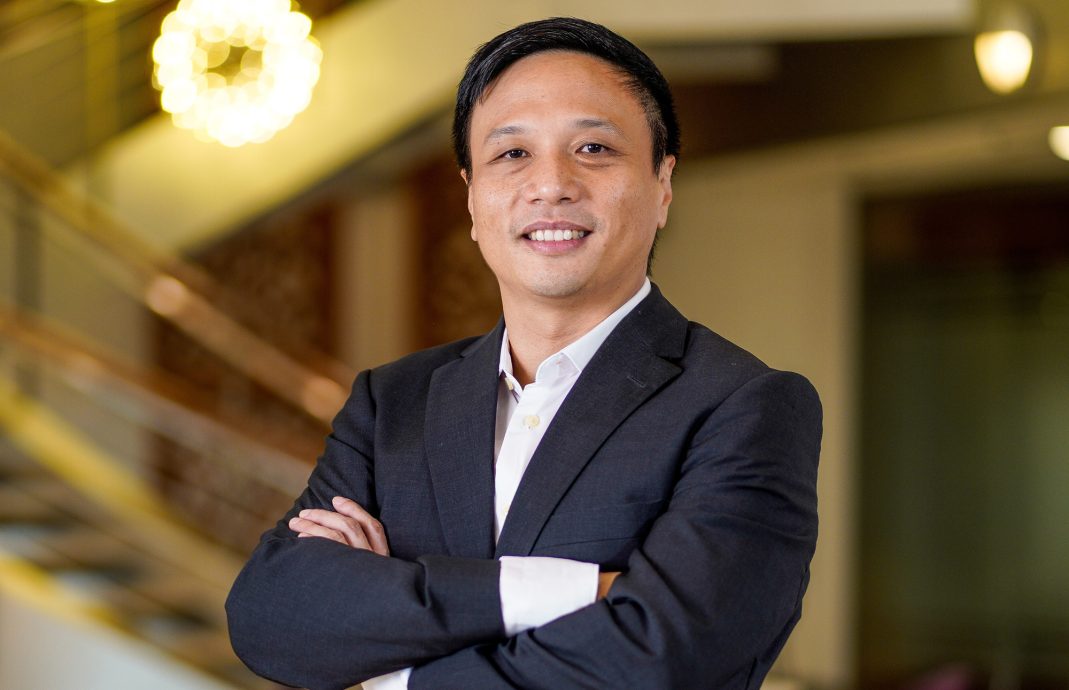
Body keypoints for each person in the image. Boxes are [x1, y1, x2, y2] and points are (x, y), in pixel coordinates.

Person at [226, 17, 822, 690]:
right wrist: (567, 591)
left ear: (662, 184)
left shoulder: (743, 405)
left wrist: (394, 671)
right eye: (512, 154)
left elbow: (666, 654)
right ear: (471, 198)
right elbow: (271, 616)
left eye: (593, 148)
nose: (551, 185)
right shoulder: (392, 402)